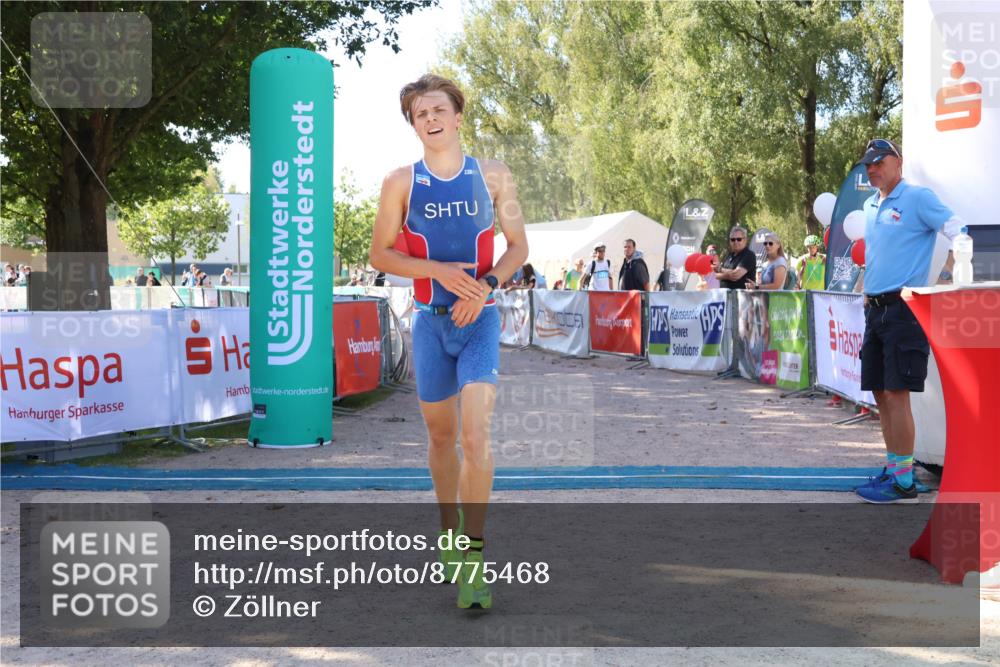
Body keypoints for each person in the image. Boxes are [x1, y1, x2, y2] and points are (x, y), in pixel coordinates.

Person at [368, 73, 528, 608]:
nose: (431, 119)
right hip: (430, 321)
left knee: (476, 436)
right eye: (420, 114)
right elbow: (381, 254)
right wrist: (436, 269)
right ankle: (447, 532)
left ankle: (474, 559)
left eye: (439, 110)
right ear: (413, 125)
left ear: (458, 116)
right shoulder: (400, 183)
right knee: (441, 439)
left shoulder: (496, 177)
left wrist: (484, 286)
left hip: (478, 319)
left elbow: (517, 247)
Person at [851, 138, 964, 504]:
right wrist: (867, 285)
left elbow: (957, 228)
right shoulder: (870, 204)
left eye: (879, 162)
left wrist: (951, 270)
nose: (872, 169)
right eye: (868, 164)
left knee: (898, 395)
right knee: (881, 394)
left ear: (898, 161)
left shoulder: (917, 197)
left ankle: (904, 483)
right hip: (876, 309)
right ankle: (896, 468)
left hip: (904, 307)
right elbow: (879, 252)